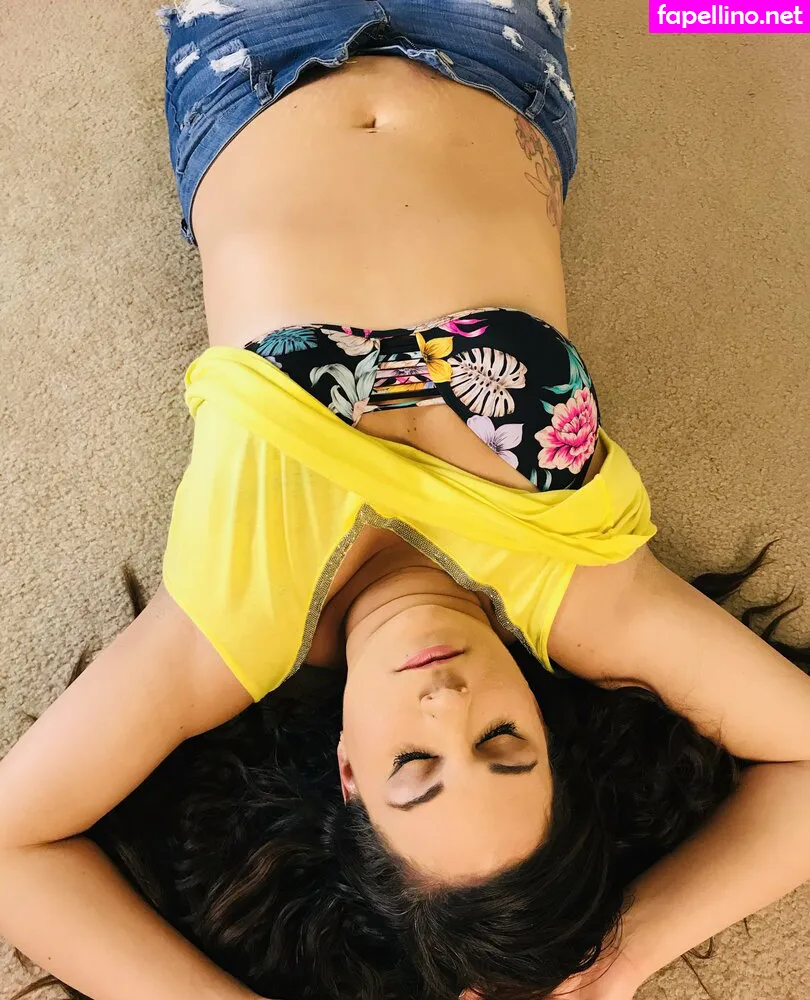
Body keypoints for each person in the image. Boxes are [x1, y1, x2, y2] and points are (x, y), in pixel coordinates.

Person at [2, 4, 809, 1000]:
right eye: (504, 745)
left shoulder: (229, 627)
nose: (448, 703)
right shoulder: (585, 593)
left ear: (347, 772)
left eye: (416, 767)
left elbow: (13, 850)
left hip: (252, 55)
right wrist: (622, 957)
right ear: (549, 732)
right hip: (490, 43)